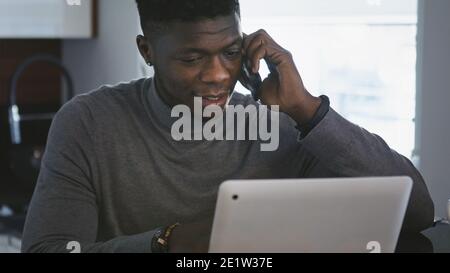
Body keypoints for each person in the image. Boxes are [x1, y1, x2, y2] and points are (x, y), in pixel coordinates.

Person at [21, 0, 434, 253]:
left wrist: (308, 109)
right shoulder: (87, 124)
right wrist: (167, 243)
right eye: (192, 58)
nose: (218, 75)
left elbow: (417, 211)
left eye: (231, 52)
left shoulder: (280, 125)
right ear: (147, 51)